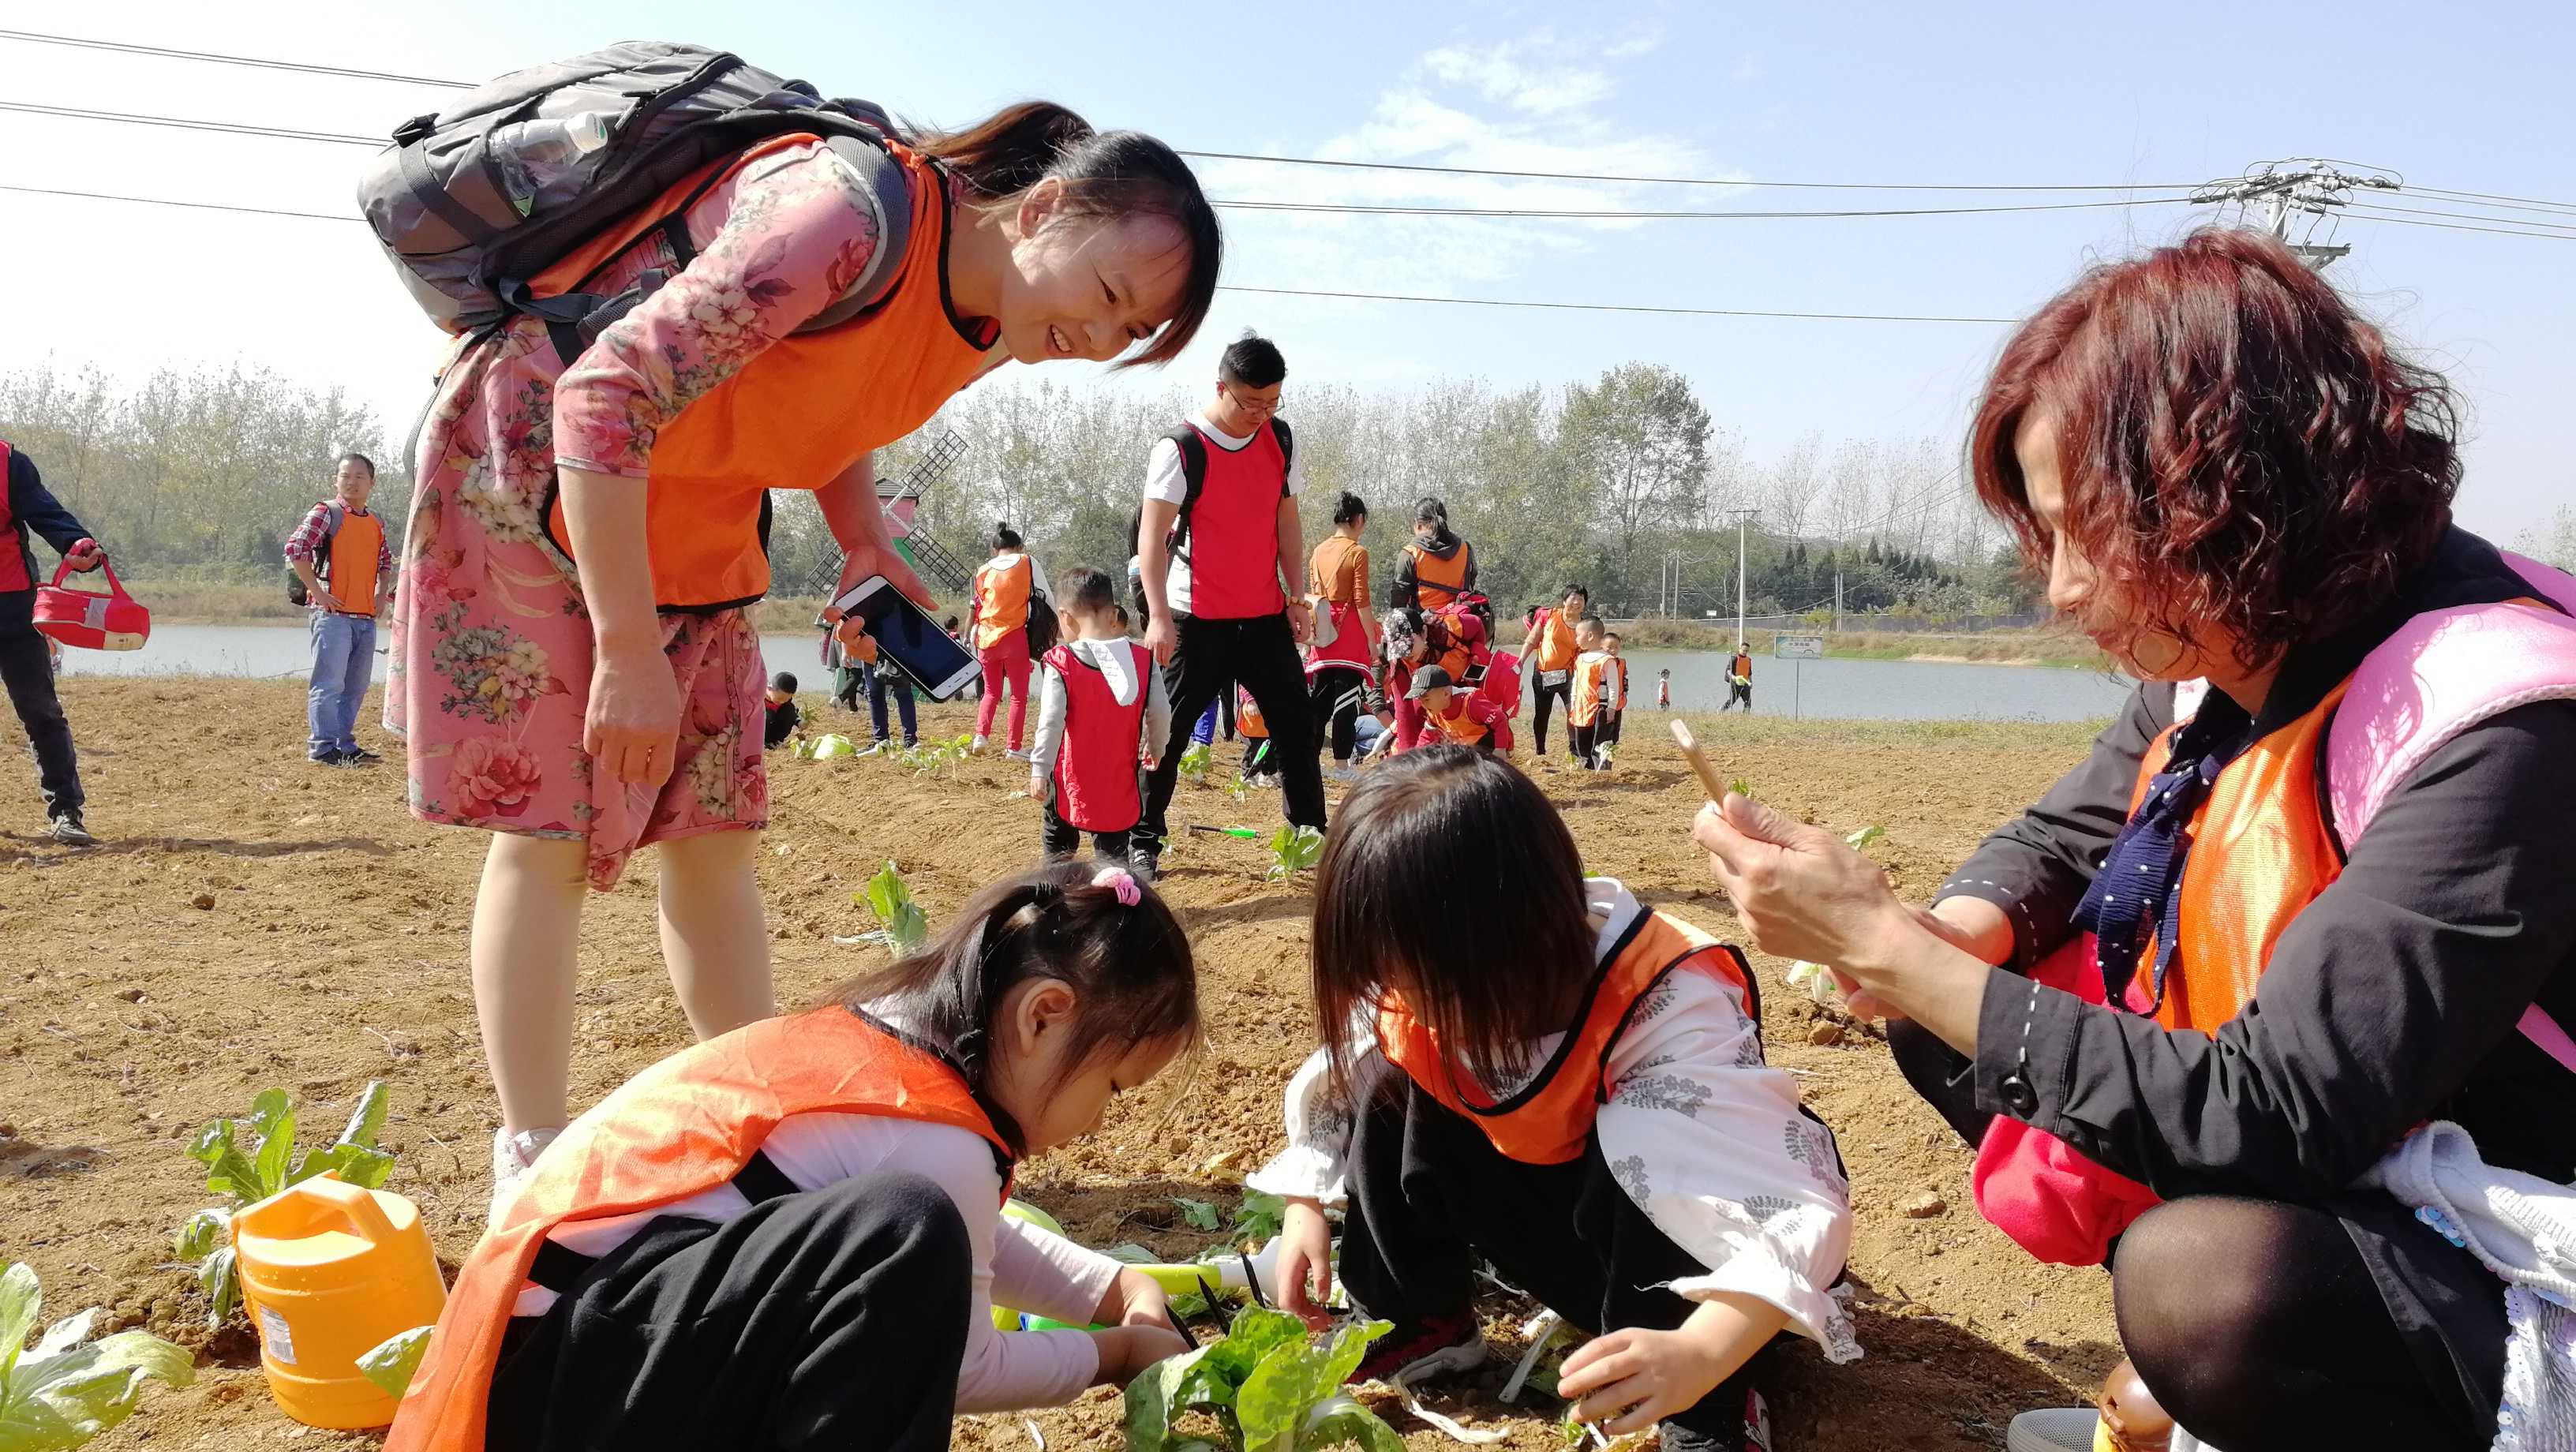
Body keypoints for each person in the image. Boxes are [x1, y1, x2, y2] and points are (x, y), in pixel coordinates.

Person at [1693, 229, 2576, 1452]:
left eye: (2081, 533)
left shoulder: (2503, 720)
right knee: (1950, 1015)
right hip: (2376, 1140)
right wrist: (1941, 936)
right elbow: (2071, 827)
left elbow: (2278, 1109)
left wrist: (1900, 954)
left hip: (2527, 1220)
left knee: (2205, 1289)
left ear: (2228, 499)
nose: (2057, 588)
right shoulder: (2248, 630)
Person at [386, 96, 1222, 1203]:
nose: (1098, 340)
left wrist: (862, 532)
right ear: (1046, 209)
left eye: (1128, 338)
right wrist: (628, 652)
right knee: (551, 830)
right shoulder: (844, 216)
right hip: (542, 475)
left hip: (697, 512)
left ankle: (763, 1121)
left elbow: (839, 387)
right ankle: (531, 1164)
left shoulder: (993, 320)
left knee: (713, 830)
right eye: (1109, 297)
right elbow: (603, 394)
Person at [385, 863, 1199, 1452]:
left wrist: (1109, 1285)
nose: (1100, 1122)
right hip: (570, 1398)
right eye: (1116, 1087)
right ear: (1044, 1016)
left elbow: (973, 1229)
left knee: (909, 1236)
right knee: (904, 1235)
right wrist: (1115, 1352)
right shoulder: (941, 1144)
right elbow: (959, 1364)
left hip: (561, 1361)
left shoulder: (890, 1049)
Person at [1252, 748, 1855, 1452]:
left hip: (1704, 1294)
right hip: (1559, 1240)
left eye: (1429, 989)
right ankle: (1419, 1318)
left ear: (1512, 943)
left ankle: (1711, 1408)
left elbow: (1790, 1209)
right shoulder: (1417, 980)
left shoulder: (1660, 998)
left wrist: (1703, 1353)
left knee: (1639, 1142)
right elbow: (1343, 1071)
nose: (1406, 1002)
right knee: (1392, 1083)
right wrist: (1305, 1210)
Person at [1133, 331, 1326, 880]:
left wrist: (1296, 595)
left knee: (1296, 725)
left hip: (1264, 615)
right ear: (1222, 387)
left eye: (1272, 403)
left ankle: (1310, 836)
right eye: (1250, 403)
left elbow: (1287, 521)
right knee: (1165, 736)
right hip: (1196, 621)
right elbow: (1152, 538)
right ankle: (1142, 839)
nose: (1261, 415)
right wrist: (1159, 618)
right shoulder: (1181, 448)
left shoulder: (1278, 440)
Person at [0, 439, 106, 845]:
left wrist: (77, 543)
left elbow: (46, 511)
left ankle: (66, 812)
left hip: (13, 605)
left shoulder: (8, 462)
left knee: (41, 710)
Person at [1029, 567, 1170, 863]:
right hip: (1117, 774)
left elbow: (1051, 721)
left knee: (1058, 841)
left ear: (1065, 617)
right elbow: (1159, 711)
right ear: (1111, 613)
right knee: (1112, 847)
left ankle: (1058, 895)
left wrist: (1040, 768)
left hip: (1069, 774)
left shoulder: (1062, 662)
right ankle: (1112, 896)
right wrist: (1157, 748)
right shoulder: (1143, 660)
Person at [286, 451, 395, 766]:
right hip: (332, 616)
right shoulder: (326, 512)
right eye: (346, 476)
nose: (352, 482)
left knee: (355, 686)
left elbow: (385, 561)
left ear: (372, 483)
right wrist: (318, 592)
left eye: (359, 477)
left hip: (364, 617)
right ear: (336, 480)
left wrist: (379, 597)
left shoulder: (375, 521)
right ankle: (322, 748)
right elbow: (296, 548)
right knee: (329, 684)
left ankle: (344, 746)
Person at [1306, 492, 1380, 781]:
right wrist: (1372, 641)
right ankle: (1341, 766)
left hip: (1322, 631)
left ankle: (1309, 760)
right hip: (1348, 634)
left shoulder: (1318, 551)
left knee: (1320, 701)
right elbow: (1362, 600)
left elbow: (1314, 592)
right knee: (1347, 700)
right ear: (1358, 520)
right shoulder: (1357, 552)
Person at [969, 523, 1048, 758]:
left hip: (986, 639)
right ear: (1019, 547)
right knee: (1018, 695)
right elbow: (1045, 595)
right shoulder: (1027, 562)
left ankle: (980, 737)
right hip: (1014, 637)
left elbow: (979, 604)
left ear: (995, 549)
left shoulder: (982, 570)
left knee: (991, 692)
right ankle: (1013, 747)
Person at [1518, 584, 1588, 759]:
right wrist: (1520, 662)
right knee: (1542, 714)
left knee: (1573, 711)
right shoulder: (1548, 615)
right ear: (1564, 601)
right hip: (1542, 674)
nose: (1577, 602)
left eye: (1581, 599)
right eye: (1574, 598)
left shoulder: (1585, 627)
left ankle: (1574, 749)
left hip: (1569, 677)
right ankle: (1540, 750)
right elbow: (1532, 640)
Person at [1383, 496, 1477, 615]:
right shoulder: (1465, 548)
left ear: (1418, 525)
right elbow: (1471, 582)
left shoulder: (1410, 554)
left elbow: (1398, 602)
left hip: (1424, 626)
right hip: (1458, 623)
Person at [1400, 666, 1503, 754]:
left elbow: (1500, 720)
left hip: (1489, 748)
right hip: (1469, 750)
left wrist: (1500, 750)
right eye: (1420, 700)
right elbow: (1427, 736)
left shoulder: (1471, 703)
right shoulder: (1434, 712)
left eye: (1426, 699)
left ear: (1446, 693)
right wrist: (1417, 757)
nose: (1423, 705)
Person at [1566, 619, 1612, 770]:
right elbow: (1576, 683)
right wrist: (1573, 702)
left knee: (1602, 738)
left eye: (1578, 635)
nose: (1576, 639)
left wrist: (1611, 707)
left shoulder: (1607, 659)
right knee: (1582, 737)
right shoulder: (1580, 659)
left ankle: (1604, 767)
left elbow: (1613, 686)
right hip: (1582, 706)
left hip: (1600, 707)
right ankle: (1587, 765)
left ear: (1590, 636)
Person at [1600, 631, 1629, 763]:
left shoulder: (1621, 663)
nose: (1613, 650)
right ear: (1601, 646)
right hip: (1604, 704)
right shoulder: (1601, 662)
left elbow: (1625, 681)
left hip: (1618, 704)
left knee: (1615, 731)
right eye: (1610, 647)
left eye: (1616, 647)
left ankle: (1611, 753)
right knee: (1604, 731)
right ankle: (1602, 756)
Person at [762, 672, 802, 750]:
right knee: (768, 714)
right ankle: (763, 742)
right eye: (780, 698)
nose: (781, 702)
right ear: (770, 689)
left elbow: (792, 715)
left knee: (789, 708)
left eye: (785, 699)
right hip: (760, 732)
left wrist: (799, 722)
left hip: (774, 731)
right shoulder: (758, 697)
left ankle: (776, 742)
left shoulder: (785, 703)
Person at [1720, 645, 1754, 713]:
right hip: (1735, 683)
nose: (1745, 652)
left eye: (1746, 651)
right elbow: (1728, 671)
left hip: (1745, 683)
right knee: (1732, 700)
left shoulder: (1748, 660)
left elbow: (1749, 673)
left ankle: (1745, 716)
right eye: (1743, 650)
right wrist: (1733, 677)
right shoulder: (1734, 658)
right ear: (1740, 649)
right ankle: (1721, 711)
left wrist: (1751, 682)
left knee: (1748, 701)